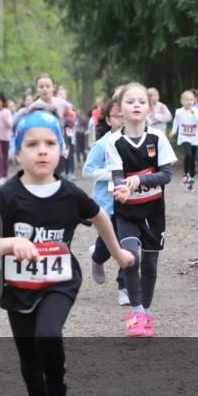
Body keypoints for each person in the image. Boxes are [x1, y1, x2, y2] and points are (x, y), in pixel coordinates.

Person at [0, 110, 134, 396]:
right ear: (18, 153)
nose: (42, 150)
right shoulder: (6, 195)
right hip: (17, 287)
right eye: (32, 144)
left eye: (49, 143)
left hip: (59, 282)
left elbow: (100, 215)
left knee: (47, 334)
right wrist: (12, 242)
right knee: (29, 355)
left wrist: (117, 254)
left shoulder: (70, 194)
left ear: (62, 149)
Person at [106, 82, 177, 337]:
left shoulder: (157, 138)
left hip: (153, 213)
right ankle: (135, 312)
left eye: (141, 101)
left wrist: (139, 180)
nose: (136, 105)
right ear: (119, 109)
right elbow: (116, 177)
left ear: (149, 108)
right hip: (126, 212)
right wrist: (121, 188)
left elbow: (166, 175)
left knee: (149, 264)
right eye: (130, 101)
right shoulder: (114, 142)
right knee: (129, 257)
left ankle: (145, 311)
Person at [83, 98, 129, 305]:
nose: (122, 117)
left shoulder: (138, 142)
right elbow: (88, 171)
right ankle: (97, 257)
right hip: (107, 204)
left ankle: (124, 287)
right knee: (107, 244)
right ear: (109, 120)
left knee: (127, 242)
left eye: (124, 114)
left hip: (130, 202)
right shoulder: (101, 145)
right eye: (117, 114)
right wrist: (113, 175)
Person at [170, 90, 198, 191]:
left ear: (194, 101)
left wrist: (194, 113)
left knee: (193, 160)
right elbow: (176, 122)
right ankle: (185, 174)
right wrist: (173, 131)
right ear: (182, 101)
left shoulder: (196, 111)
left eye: (191, 99)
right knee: (188, 155)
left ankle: (191, 180)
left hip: (194, 138)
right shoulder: (179, 112)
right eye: (186, 100)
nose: (189, 102)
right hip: (184, 137)